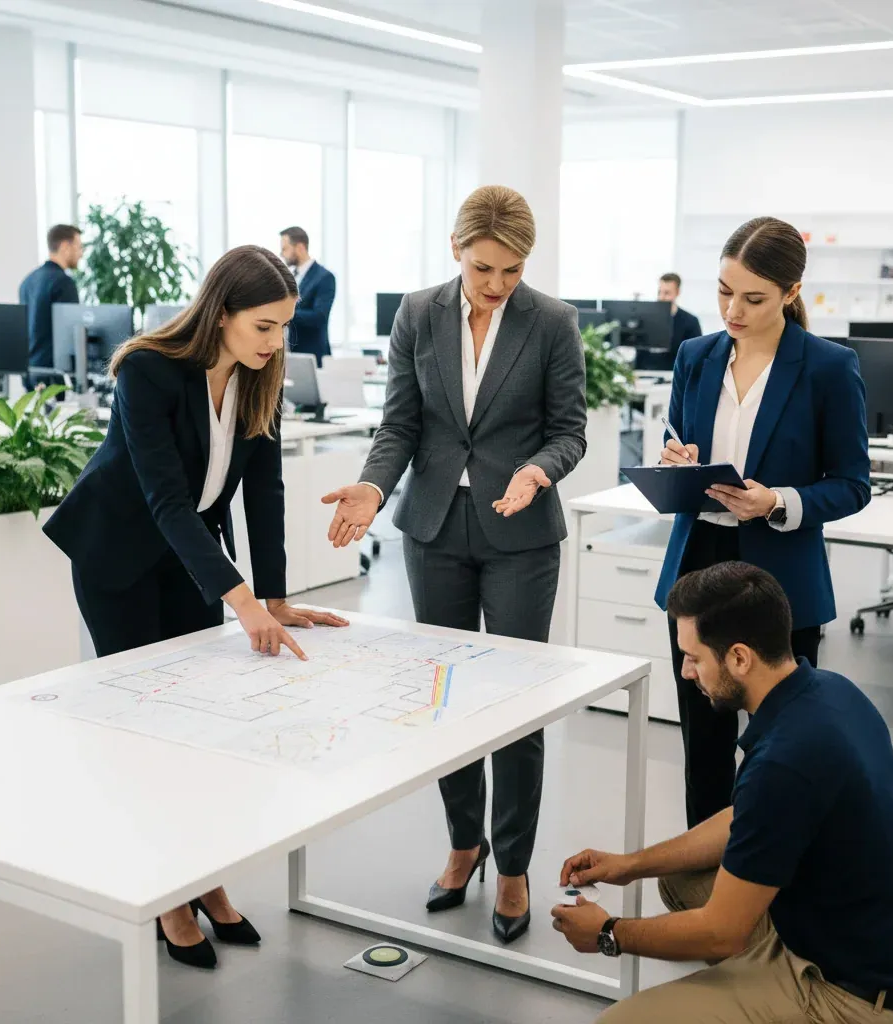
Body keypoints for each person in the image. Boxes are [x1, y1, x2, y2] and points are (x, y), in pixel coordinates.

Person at [43, 245, 348, 969]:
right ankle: (165, 897)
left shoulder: (260, 377)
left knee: (197, 729)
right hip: (119, 558)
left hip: (189, 563)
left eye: (283, 328)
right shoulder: (147, 371)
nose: (278, 343)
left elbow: (265, 491)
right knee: (145, 732)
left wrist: (275, 595)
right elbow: (165, 499)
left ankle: (204, 877)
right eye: (265, 327)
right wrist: (240, 599)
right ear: (222, 313)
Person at [320, 185, 587, 944]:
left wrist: (539, 470)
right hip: (434, 529)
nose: (497, 284)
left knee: (512, 705)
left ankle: (512, 866)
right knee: (445, 699)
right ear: (455, 250)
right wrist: (373, 487)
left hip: (521, 536)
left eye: (511, 270)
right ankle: (464, 843)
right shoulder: (418, 314)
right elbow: (400, 421)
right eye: (483, 269)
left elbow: (569, 430)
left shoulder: (554, 323)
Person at [553, 561, 893, 1024]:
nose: (685, 672)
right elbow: (746, 818)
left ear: (739, 658)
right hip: (891, 954)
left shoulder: (784, 761)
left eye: (694, 657)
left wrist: (608, 933)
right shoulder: (829, 691)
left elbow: (722, 933)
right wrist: (630, 864)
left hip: (855, 1001)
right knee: (681, 881)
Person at [655, 216, 871, 829]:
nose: (733, 310)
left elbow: (853, 484)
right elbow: (679, 441)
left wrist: (776, 501)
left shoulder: (828, 367)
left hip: (779, 583)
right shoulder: (695, 356)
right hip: (697, 563)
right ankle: (704, 887)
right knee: (703, 744)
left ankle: (775, 884)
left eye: (753, 298)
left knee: (785, 748)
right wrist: (678, 464)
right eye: (724, 291)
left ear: (790, 293)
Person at [19, 224, 82, 390]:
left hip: (30, 371)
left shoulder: (28, 281)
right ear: (65, 247)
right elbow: (72, 334)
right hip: (54, 375)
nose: (80, 254)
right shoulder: (63, 283)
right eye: (78, 247)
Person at [280, 226, 335, 366]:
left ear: (299, 247)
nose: (282, 253)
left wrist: (284, 314)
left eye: (285, 248)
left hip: (313, 356)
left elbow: (319, 316)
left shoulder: (324, 277)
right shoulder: (291, 277)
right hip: (291, 355)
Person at [658, 272, 702, 356]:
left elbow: (696, 353)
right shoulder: (647, 319)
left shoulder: (691, 322)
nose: (661, 297)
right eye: (659, 292)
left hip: (674, 368)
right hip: (643, 368)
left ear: (677, 292)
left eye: (667, 293)